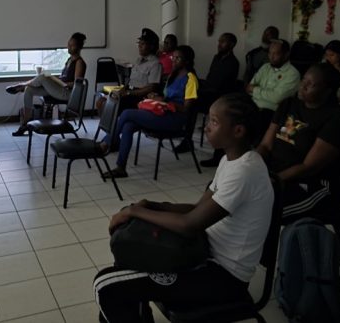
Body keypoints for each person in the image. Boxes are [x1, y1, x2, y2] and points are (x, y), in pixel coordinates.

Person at [93, 93, 274, 323]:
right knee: (129, 251)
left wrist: (134, 211)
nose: (206, 127)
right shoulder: (231, 160)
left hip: (223, 276)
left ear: (238, 131)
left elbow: (190, 224)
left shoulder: (245, 171)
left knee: (106, 286)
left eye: (214, 122)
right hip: (202, 251)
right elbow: (198, 208)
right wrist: (152, 205)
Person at [258, 63, 340, 223]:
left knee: (263, 212)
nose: (303, 86)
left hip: (309, 184)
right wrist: (249, 165)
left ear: (327, 91)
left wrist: (273, 180)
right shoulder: (289, 104)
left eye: (310, 84)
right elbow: (266, 145)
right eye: (303, 80)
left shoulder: (335, 119)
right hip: (276, 174)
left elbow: (308, 167)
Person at [100, 45, 199, 179]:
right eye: (173, 57)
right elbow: (166, 97)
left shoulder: (190, 78)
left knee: (127, 113)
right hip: (163, 112)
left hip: (175, 119)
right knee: (128, 126)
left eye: (178, 58)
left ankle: (106, 143)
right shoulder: (173, 75)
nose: (174, 60)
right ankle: (120, 168)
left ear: (186, 61)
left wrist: (165, 102)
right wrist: (156, 97)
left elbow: (186, 108)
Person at [8, 32, 87, 136]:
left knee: (42, 77)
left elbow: (76, 85)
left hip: (67, 93)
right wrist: (55, 80)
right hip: (60, 89)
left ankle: (22, 85)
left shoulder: (79, 62)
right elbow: (65, 77)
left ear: (78, 47)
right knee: (29, 90)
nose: (68, 47)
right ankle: (25, 125)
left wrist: (61, 83)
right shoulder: (69, 60)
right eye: (68, 44)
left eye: (72, 45)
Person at [198, 33, 241, 167]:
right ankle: (186, 138)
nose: (219, 44)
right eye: (219, 41)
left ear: (231, 45)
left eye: (223, 42)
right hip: (210, 93)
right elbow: (210, 77)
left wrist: (206, 89)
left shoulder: (233, 62)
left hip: (221, 97)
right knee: (191, 101)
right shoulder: (216, 58)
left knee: (221, 117)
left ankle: (218, 156)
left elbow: (222, 85)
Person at [247, 39, 300, 133]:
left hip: (271, 114)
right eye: (270, 53)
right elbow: (248, 88)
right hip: (252, 106)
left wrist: (255, 90)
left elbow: (277, 98)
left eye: (276, 54)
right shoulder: (265, 67)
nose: (271, 57)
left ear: (286, 55)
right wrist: (267, 93)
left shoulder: (292, 74)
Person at [105, 28, 163, 111]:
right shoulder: (139, 60)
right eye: (139, 43)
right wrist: (123, 89)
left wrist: (128, 93)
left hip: (140, 96)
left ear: (151, 46)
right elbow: (131, 81)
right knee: (103, 100)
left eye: (143, 44)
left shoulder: (155, 64)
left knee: (110, 105)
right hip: (130, 92)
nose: (139, 46)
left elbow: (151, 88)